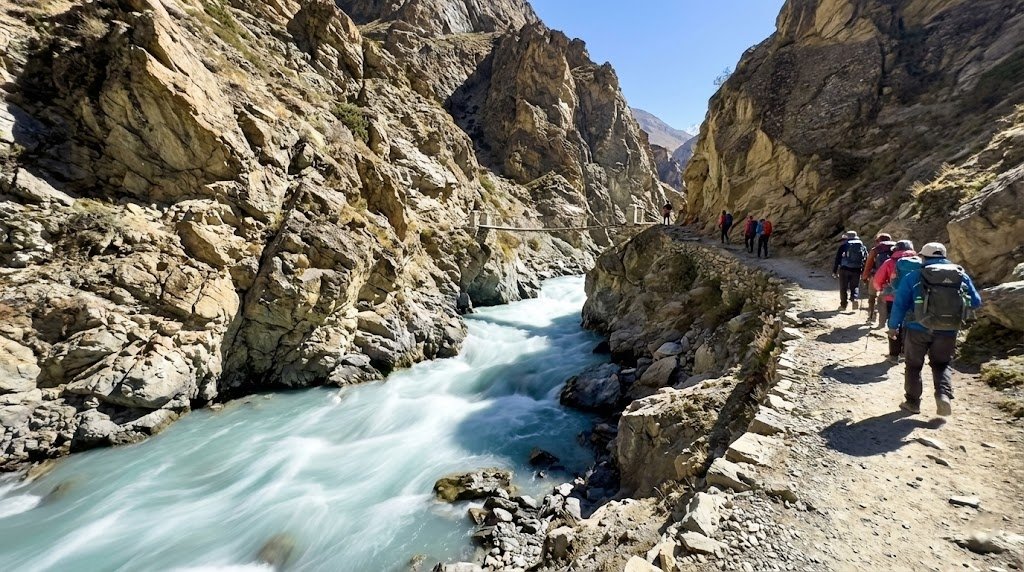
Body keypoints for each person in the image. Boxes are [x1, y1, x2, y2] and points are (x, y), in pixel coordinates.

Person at [888, 242, 982, 416]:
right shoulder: (960, 275)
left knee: (914, 365)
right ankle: (943, 396)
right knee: (941, 364)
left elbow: (900, 304)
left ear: (923, 257)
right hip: (948, 329)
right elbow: (976, 302)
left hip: (917, 328)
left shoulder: (914, 276)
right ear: (944, 256)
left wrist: (893, 327)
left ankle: (913, 403)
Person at [872, 240, 919, 362]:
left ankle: (894, 355)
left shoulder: (890, 262)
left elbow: (877, 280)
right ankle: (905, 352)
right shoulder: (920, 262)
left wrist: (881, 290)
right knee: (908, 323)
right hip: (914, 299)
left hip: (893, 298)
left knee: (893, 323)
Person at [861, 233, 896, 326]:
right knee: (885, 298)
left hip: (876, 276)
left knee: (872, 296)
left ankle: (871, 316)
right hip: (892, 277)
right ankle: (883, 320)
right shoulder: (896, 248)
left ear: (878, 240)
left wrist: (864, 277)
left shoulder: (876, 250)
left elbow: (868, 265)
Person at [832, 230, 868, 311]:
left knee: (843, 287)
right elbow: (866, 258)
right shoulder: (862, 246)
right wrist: (864, 271)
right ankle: (854, 298)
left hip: (844, 269)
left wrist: (834, 270)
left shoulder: (844, 246)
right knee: (854, 286)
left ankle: (843, 305)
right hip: (857, 269)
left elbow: (838, 259)